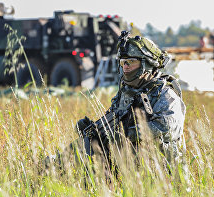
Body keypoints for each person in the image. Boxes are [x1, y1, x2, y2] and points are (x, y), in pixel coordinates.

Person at [76, 31, 186, 172]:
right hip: (129, 169)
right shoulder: (127, 93)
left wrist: (128, 132)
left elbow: (168, 128)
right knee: (85, 147)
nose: (126, 67)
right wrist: (95, 131)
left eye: (131, 62)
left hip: (160, 172)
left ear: (146, 64)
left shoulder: (165, 94)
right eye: (123, 62)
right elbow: (116, 121)